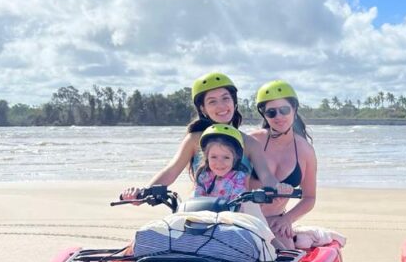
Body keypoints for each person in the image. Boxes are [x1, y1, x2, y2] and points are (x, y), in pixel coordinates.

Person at [121, 72, 288, 200]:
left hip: (240, 210)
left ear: (234, 102)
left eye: (225, 98)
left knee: (266, 240)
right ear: (202, 108)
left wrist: (279, 188)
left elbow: (266, 176)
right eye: (212, 101)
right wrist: (144, 191)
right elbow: (171, 170)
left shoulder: (250, 143)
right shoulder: (194, 139)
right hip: (199, 208)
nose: (221, 106)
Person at [248, 80, 317, 247]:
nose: (278, 117)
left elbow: (310, 197)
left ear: (294, 109)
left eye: (284, 110)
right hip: (246, 218)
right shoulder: (252, 141)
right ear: (264, 115)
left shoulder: (305, 151)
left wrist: (287, 219)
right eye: (271, 112)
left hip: (275, 221)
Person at [192, 125, 249, 202]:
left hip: (230, 213)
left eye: (226, 157)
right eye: (214, 157)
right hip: (206, 213)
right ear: (206, 157)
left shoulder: (238, 177)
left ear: (235, 158)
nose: (219, 163)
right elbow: (196, 201)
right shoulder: (203, 176)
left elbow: (237, 202)